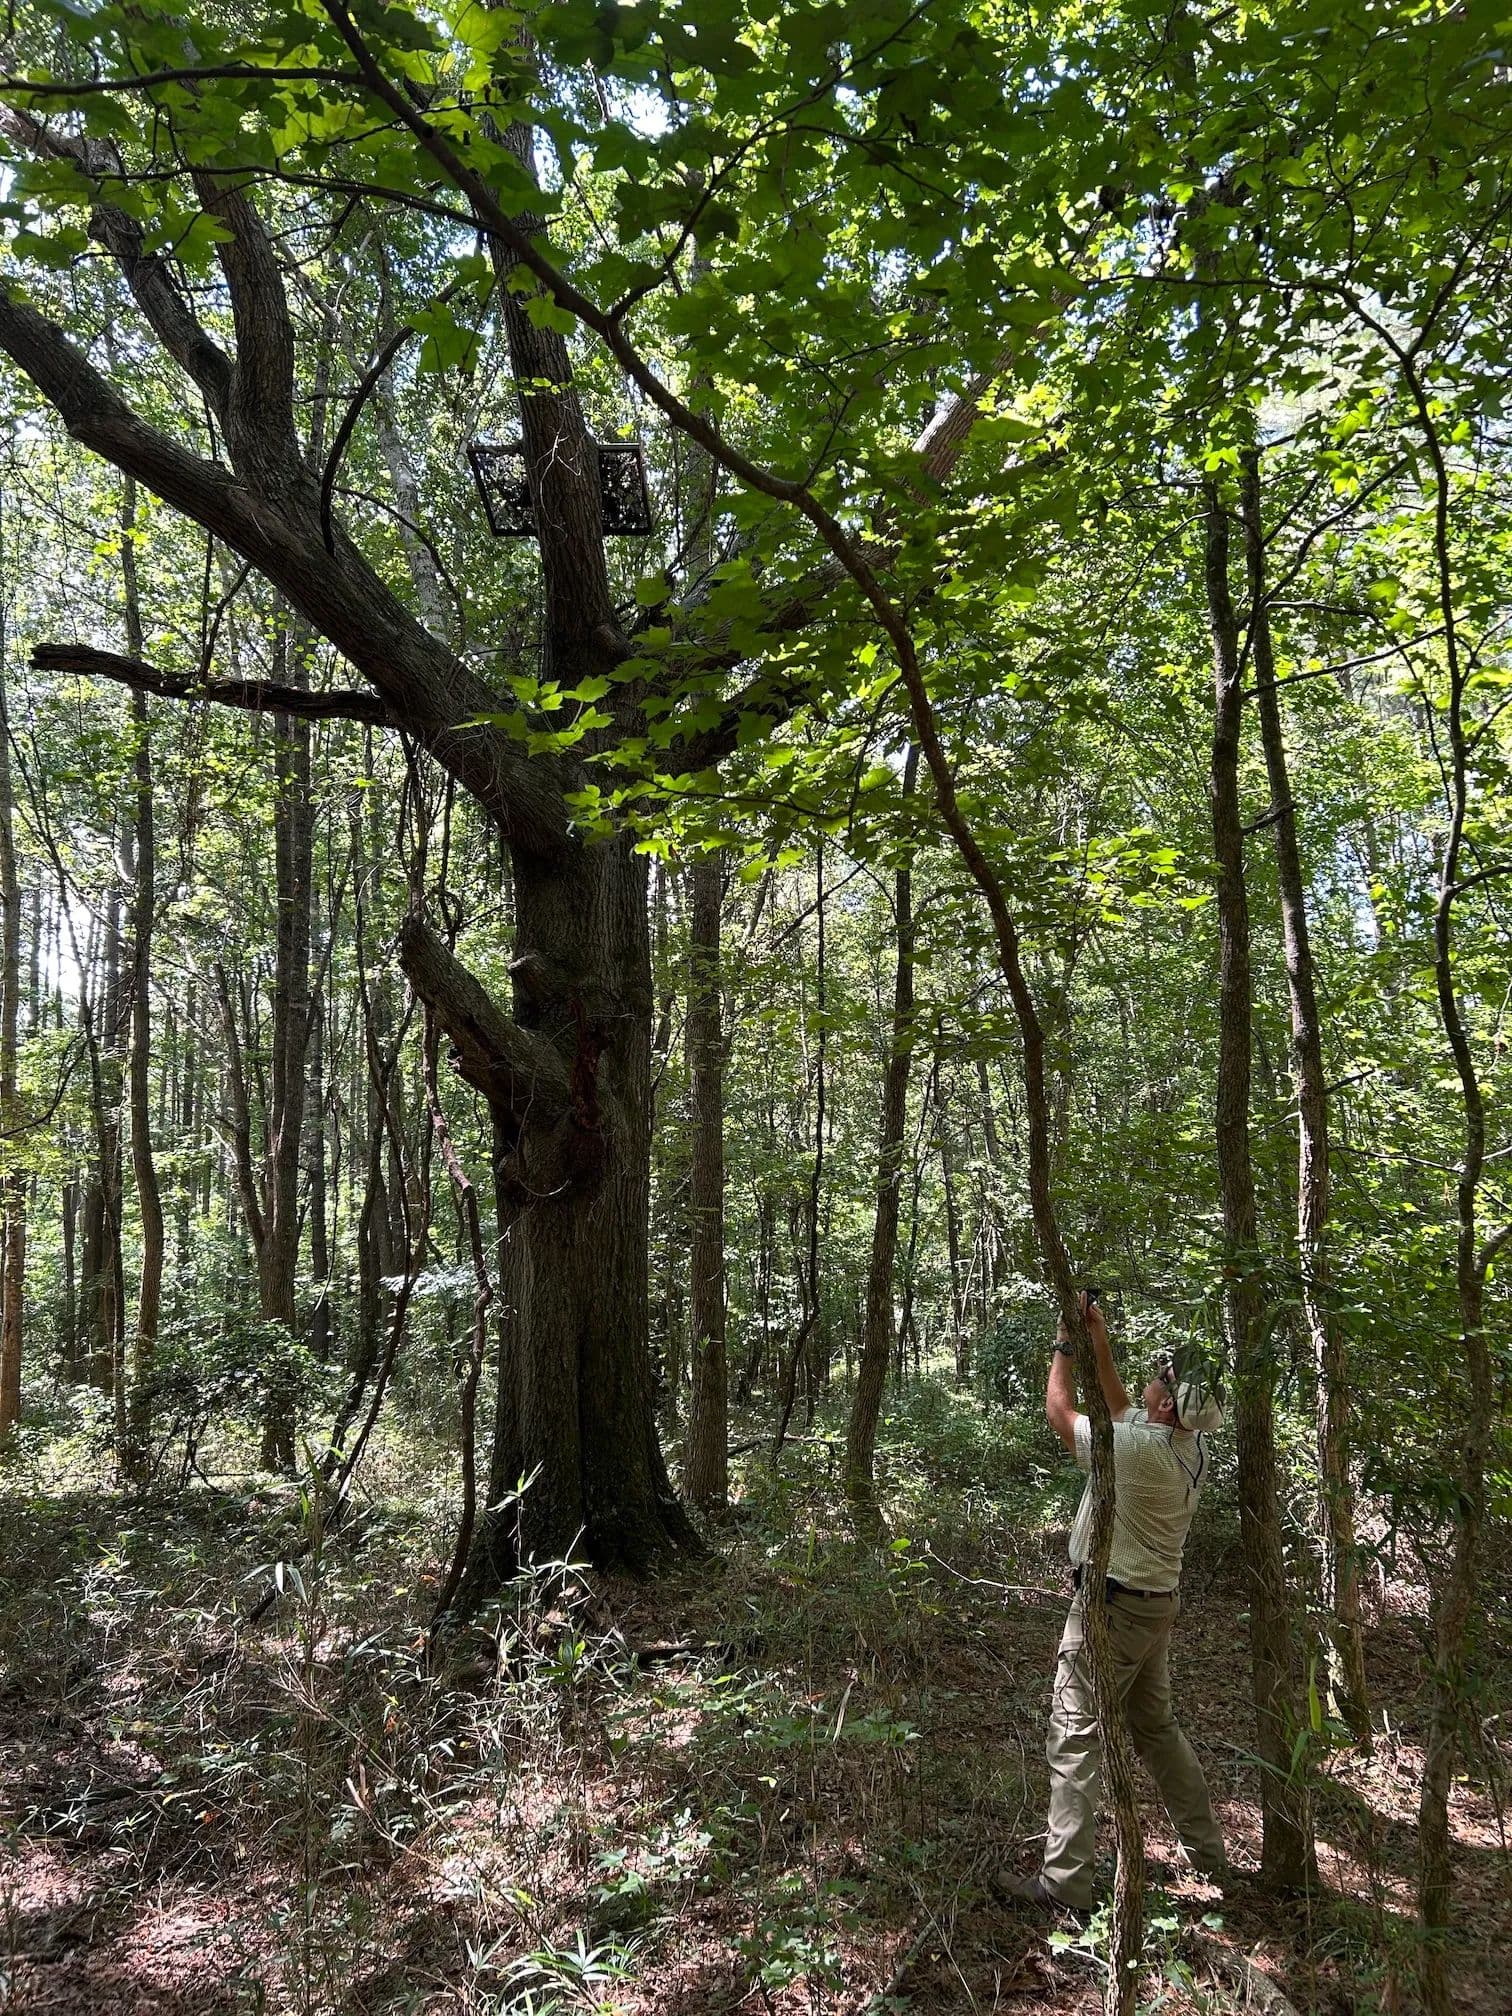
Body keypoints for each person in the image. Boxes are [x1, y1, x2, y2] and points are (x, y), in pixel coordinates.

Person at [1001, 1292, 1229, 1913]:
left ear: (1167, 1403)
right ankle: (1210, 1856)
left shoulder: (1139, 1452)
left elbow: (1060, 1412)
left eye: (1160, 1376)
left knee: (1075, 1731)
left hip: (1112, 1610)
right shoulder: (1184, 1446)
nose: (1151, 1378)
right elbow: (1120, 1405)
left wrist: (1064, 1344)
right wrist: (1097, 1337)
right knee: (1156, 1729)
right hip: (1153, 1607)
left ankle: (1064, 1883)